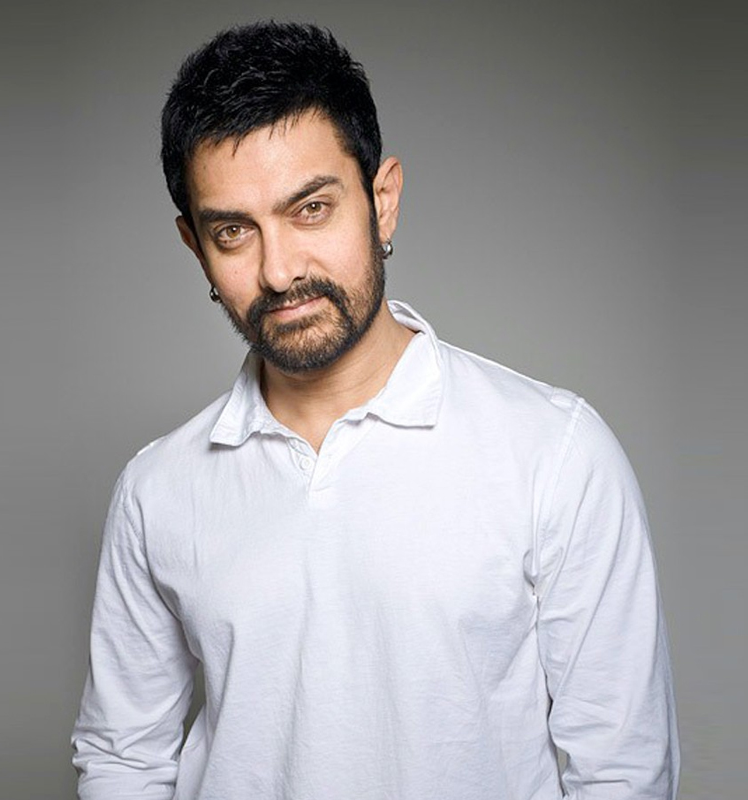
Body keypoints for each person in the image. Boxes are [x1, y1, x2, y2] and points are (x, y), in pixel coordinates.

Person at [71, 21, 679, 800]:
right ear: (196, 248)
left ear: (381, 202)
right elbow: (123, 756)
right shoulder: (156, 490)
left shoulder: (553, 453)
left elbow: (623, 769)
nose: (279, 270)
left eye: (311, 209)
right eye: (233, 232)